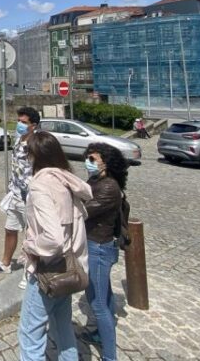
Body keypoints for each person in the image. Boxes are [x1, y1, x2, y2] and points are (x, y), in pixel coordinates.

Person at [17, 131, 93, 361]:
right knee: (62, 327)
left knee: (30, 334)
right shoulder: (67, 180)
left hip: (48, 269)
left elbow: (53, 238)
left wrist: (30, 245)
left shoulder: (41, 185)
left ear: (35, 156)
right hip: (71, 265)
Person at [82, 143, 129, 361]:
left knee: (98, 303)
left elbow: (84, 210)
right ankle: (99, 335)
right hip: (94, 243)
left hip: (99, 247)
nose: (88, 162)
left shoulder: (109, 187)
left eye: (93, 159)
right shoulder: (96, 180)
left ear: (106, 163)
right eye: (87, 158)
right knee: (105, 296)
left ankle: (110, 356)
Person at [0, 106, 40, 287]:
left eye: (24, 122)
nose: (19, 124)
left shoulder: (36, 144)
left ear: (33, 125)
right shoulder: (18, 139)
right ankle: (5, 263)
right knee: (10, 229)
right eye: (18, 121)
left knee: (30, 236)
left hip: (29, 196)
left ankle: (30, 271)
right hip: (15, 193)